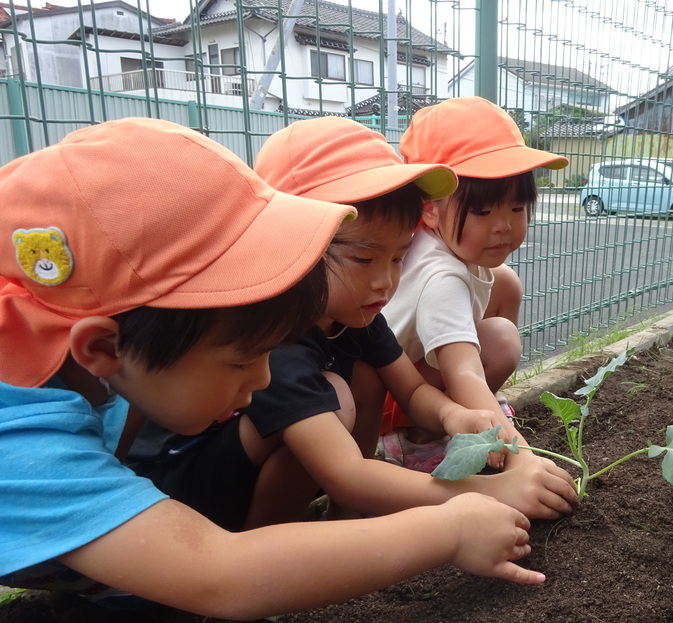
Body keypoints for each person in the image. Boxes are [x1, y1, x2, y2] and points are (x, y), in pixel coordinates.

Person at [0, 117, 546, 620]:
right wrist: (451, 526)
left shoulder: (94, 356)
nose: (264, 379)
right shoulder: (19, 446)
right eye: (243, 358)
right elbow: (222, 573)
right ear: (101, 348)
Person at [127, 117, 576, 524]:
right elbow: (348, 474)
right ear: (294, 244)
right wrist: (490, 490)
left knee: (356, 383)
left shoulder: (356, 314)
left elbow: (414, 390)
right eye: (364, 258)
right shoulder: (274, 343)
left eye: (400, 256)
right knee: (336, 396)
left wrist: (454, 416)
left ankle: (336, 521)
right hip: (188, 498)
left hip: (261, 468)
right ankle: (264, 540)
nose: (386, 281)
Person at [379, 96, 569, 478]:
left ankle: (480, 412)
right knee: (500, 340)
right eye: (483, 211)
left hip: (406, 379)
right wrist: (524, 461)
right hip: (393, 404)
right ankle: (419, 443)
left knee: (505, 282)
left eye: (516, 208)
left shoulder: (439, 242)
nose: (503, 226)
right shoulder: (440, 277)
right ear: (429, 207)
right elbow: (462, 372)